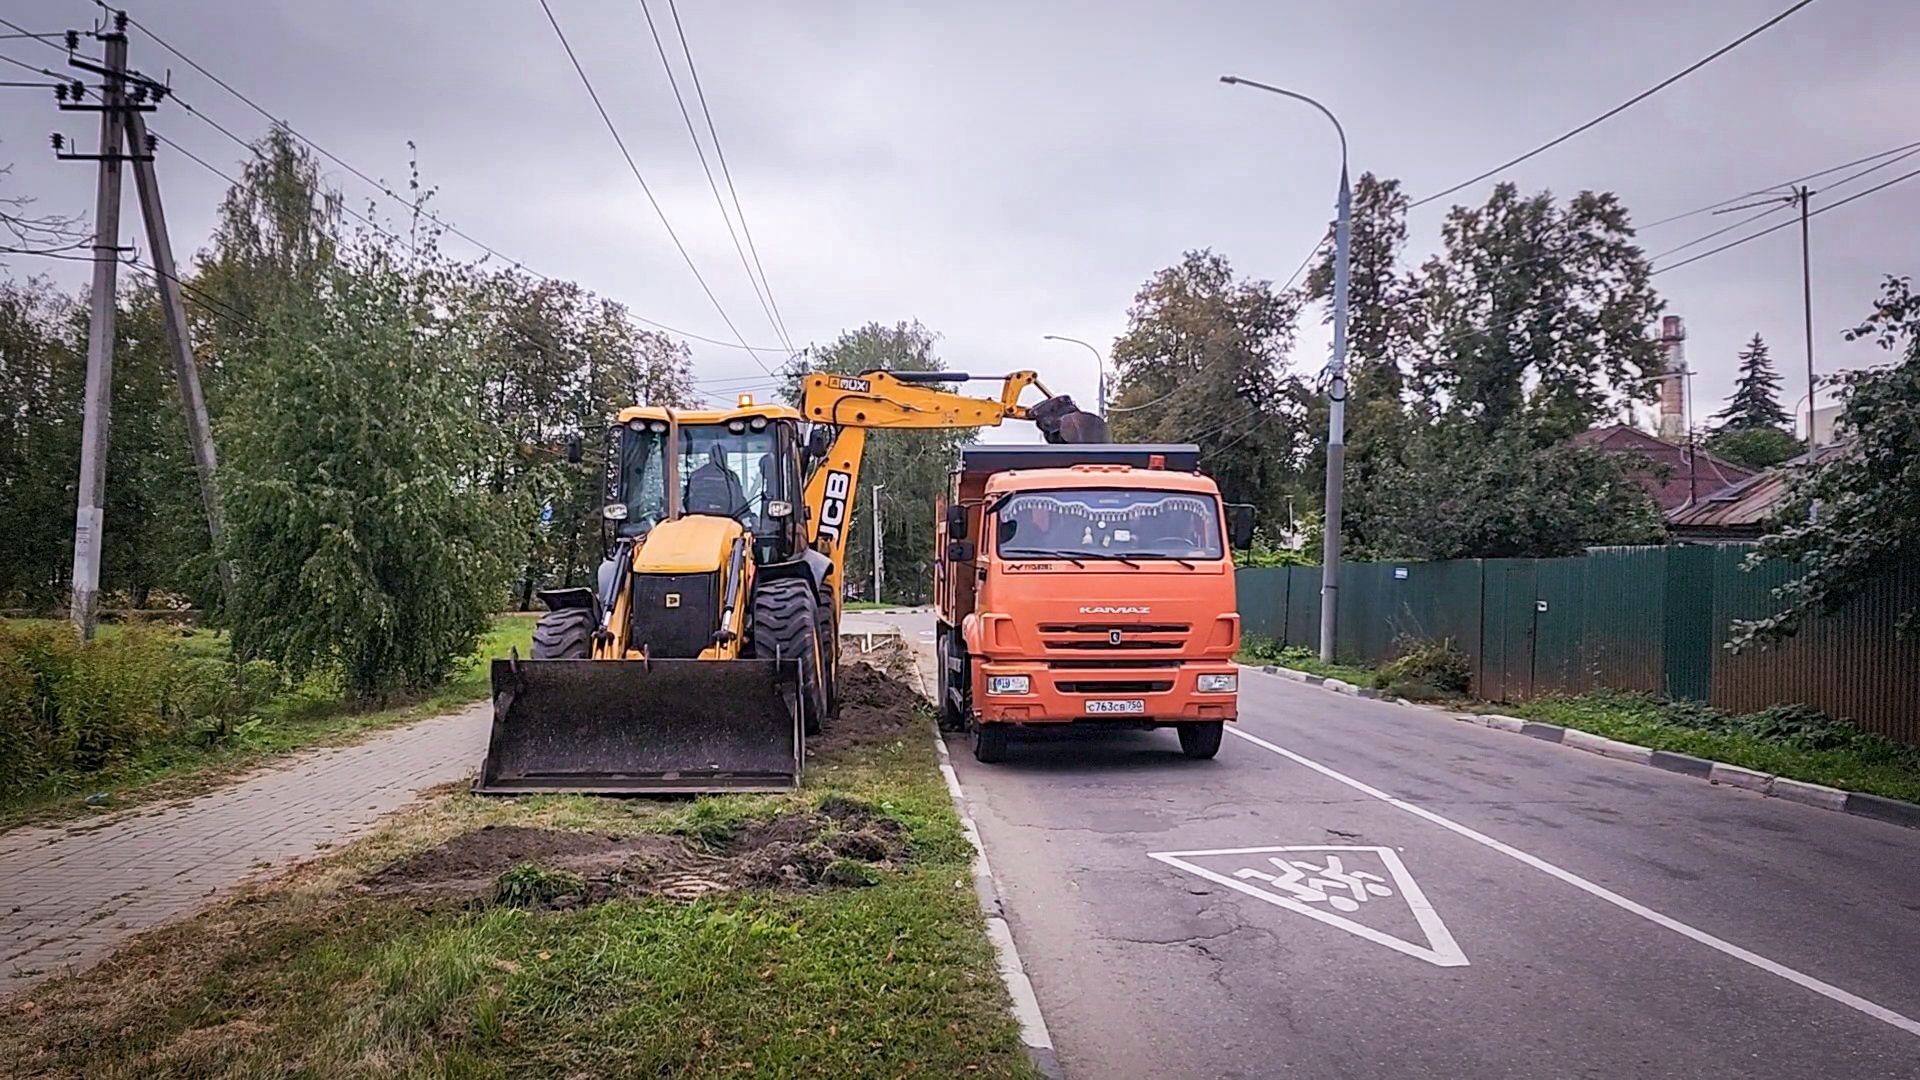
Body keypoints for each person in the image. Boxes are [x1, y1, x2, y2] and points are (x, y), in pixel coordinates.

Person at [685, 442, 747, 515]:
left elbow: (739, 501)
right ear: (711, 457)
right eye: (718, 456)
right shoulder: (731, 477)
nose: (720, 458)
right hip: (721, 519)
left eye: (723, 456)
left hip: (700, 519)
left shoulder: (696, 475)